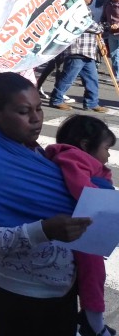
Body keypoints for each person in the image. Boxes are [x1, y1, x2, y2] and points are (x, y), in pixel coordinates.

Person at [0, 72, 92, 336]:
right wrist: (44, 230)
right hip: (18, 294)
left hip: (62, 287)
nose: (36, 119)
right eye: (24, 111)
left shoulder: (29, 147)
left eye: (39, 109)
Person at [46, 115, 116, 336]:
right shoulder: (74, 158)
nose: (109, 154)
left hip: (78, 225)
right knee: (94, 274)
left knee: (94, 275)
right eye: (106, 148)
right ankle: (93, 322)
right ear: (86, 145)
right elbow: (83, 191)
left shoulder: (78, 158)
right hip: (76, 228)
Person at [51, 0, 107, 113]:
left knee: (92, 78)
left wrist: (101, 44)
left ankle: (92, 103)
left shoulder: (85, 9)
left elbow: (96, 31)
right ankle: (56, 99)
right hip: (77, 49)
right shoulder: (76, 11)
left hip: (88, 50)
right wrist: (101, 28)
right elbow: (92, 27)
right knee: (68, 77)